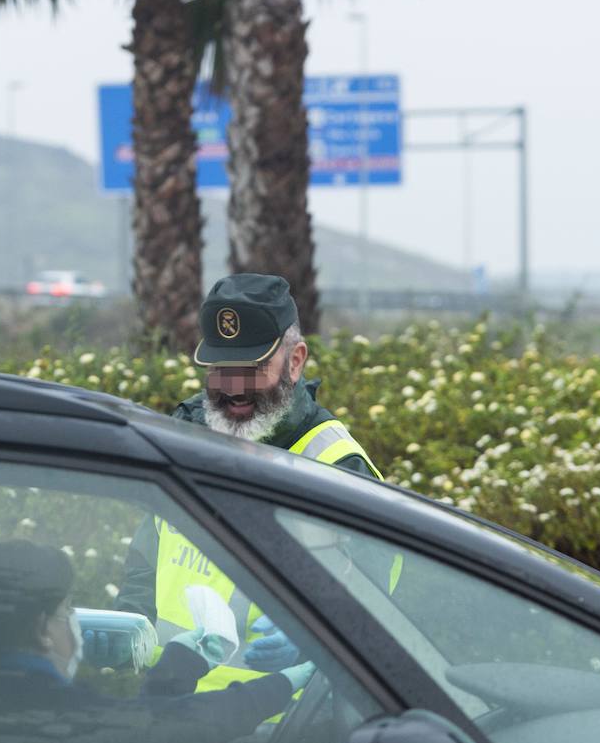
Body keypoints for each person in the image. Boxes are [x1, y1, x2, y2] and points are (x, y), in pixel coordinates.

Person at [115, 273, 396, 692]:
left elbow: (379, 597)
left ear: (296, 361)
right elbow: (146, 560)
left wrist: (313, 639)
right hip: (165, 708)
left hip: (272, 731)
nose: (233, 388)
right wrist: (123, 635)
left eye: (253, 367)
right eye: (220, 368)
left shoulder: (335, 463)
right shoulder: (181, 437)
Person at [0, 539, 314, 743]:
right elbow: (163, 730)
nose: (76, 624)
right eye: (67, 611)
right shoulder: (43, 718)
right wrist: (284, 683)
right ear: (41, 629)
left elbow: (134, 731)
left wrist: (183, 662)